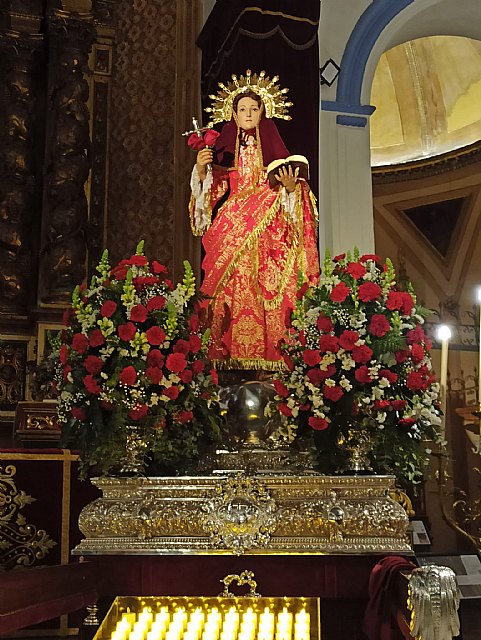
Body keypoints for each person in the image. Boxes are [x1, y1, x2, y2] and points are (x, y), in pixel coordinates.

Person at [189, 70, 319, 371]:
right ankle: (226, 353)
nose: (248, 114)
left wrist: (290, 188)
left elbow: (296, 207)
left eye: (254, 109)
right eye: (242, 109)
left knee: (268, 286)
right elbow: (207, 200)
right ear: (233, 115)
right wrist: (202, 169)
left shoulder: (275, 156)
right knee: (229, 287)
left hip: (269, 229)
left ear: (263, 113)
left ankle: (270, 354)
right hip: (231, 223)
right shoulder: (225, 156)